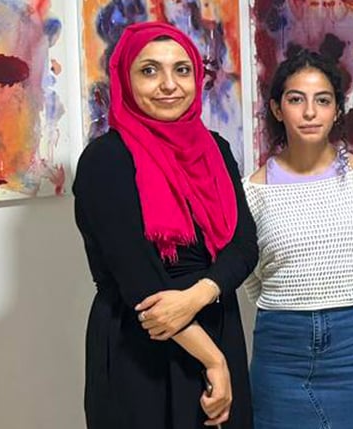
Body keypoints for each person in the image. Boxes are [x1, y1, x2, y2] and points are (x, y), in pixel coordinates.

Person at [73, 22, 258, 428]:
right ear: (125, 78)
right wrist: (214, 361)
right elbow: (139, 280)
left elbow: (243, 246)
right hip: (140, 344)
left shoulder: (216, 149)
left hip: (213, 319)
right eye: (149, 70)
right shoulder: (106, 160)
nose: (168, 85)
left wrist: (197, 297)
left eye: (182, 70)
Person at [241, 50, 353, 428]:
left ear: (337, 110)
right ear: (278, 109)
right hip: (282, 347)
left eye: (322, 100)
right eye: (296, 99)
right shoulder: (250, 192)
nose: (310, 112)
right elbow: (252, 279)